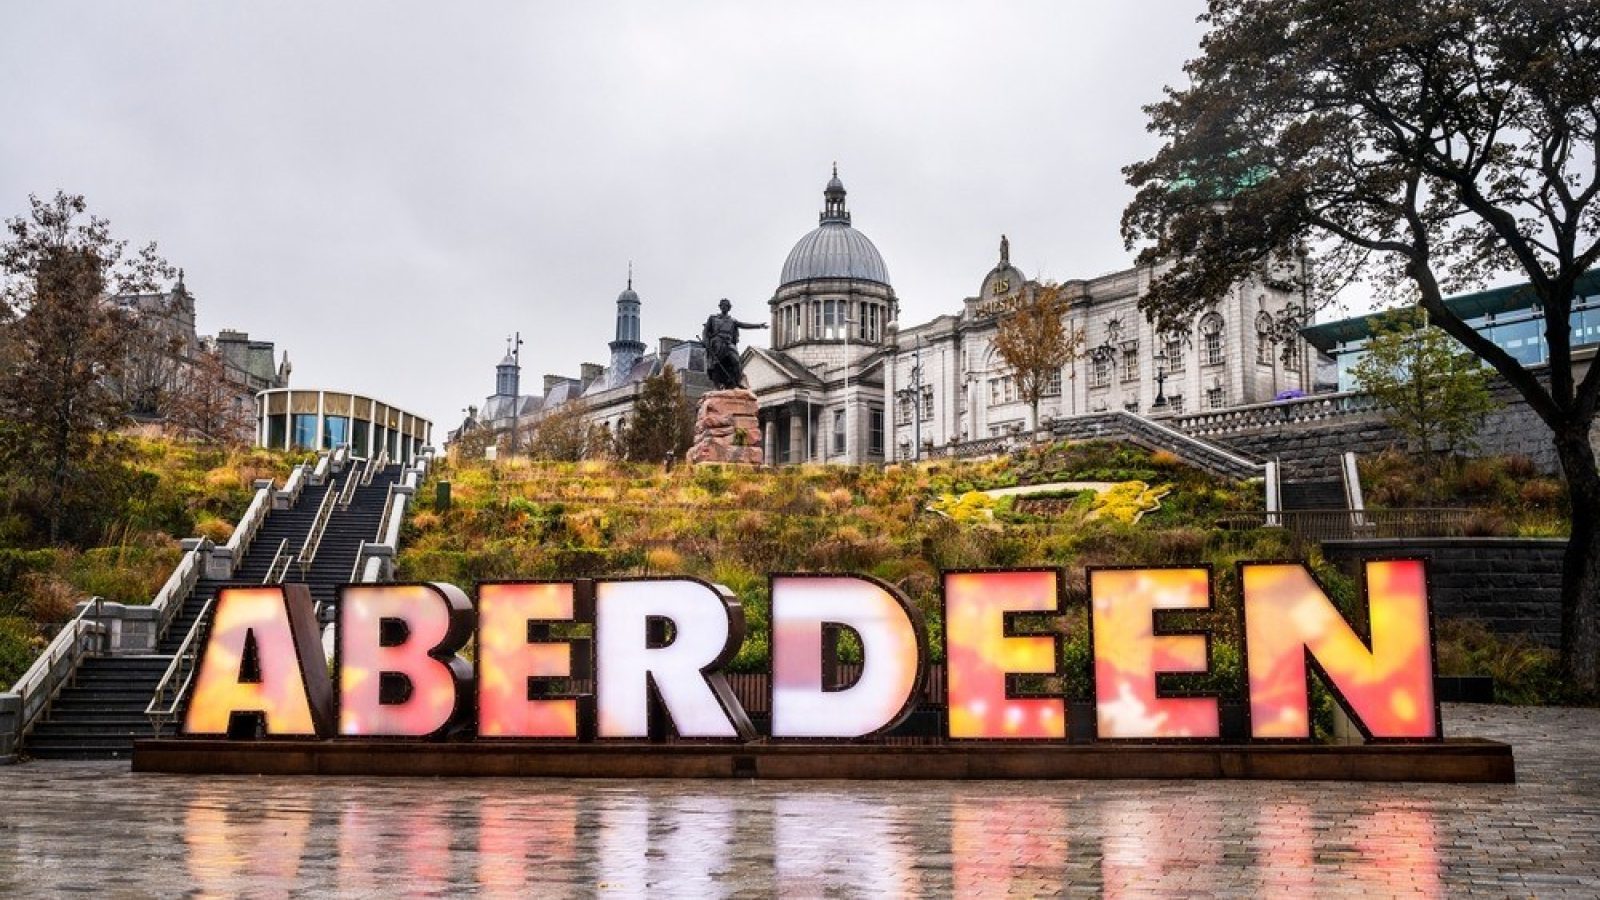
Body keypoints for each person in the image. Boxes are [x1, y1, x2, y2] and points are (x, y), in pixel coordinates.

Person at [702, 298, 767, 390]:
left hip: (728, 343)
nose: (724, 307)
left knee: (736, 361)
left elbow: (744, 325)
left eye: (726, 306)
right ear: (720, 307)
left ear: (729, 308)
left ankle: (736, 382)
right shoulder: (713, 318)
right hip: (717, 342)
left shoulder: (732, 320)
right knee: (716, 364)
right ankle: (718, 383)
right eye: (723, 305)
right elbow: (705, 332)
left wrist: (759, 326)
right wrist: (706, 342)